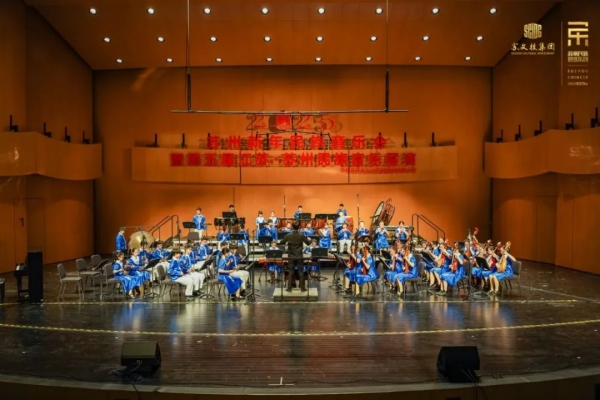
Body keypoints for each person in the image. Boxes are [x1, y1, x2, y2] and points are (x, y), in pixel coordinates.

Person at [279, 220, 311, 291]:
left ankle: (289, 288)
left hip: (291, 256)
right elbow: (308, 243)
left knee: (291, 272)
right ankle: (302, 288)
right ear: (299, 227)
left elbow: (281, 242)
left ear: (292, 227)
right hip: (299, 256)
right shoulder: (301, 235)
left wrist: (286, 241)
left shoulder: (288, 235)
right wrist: (309, 239)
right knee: (301, 272)